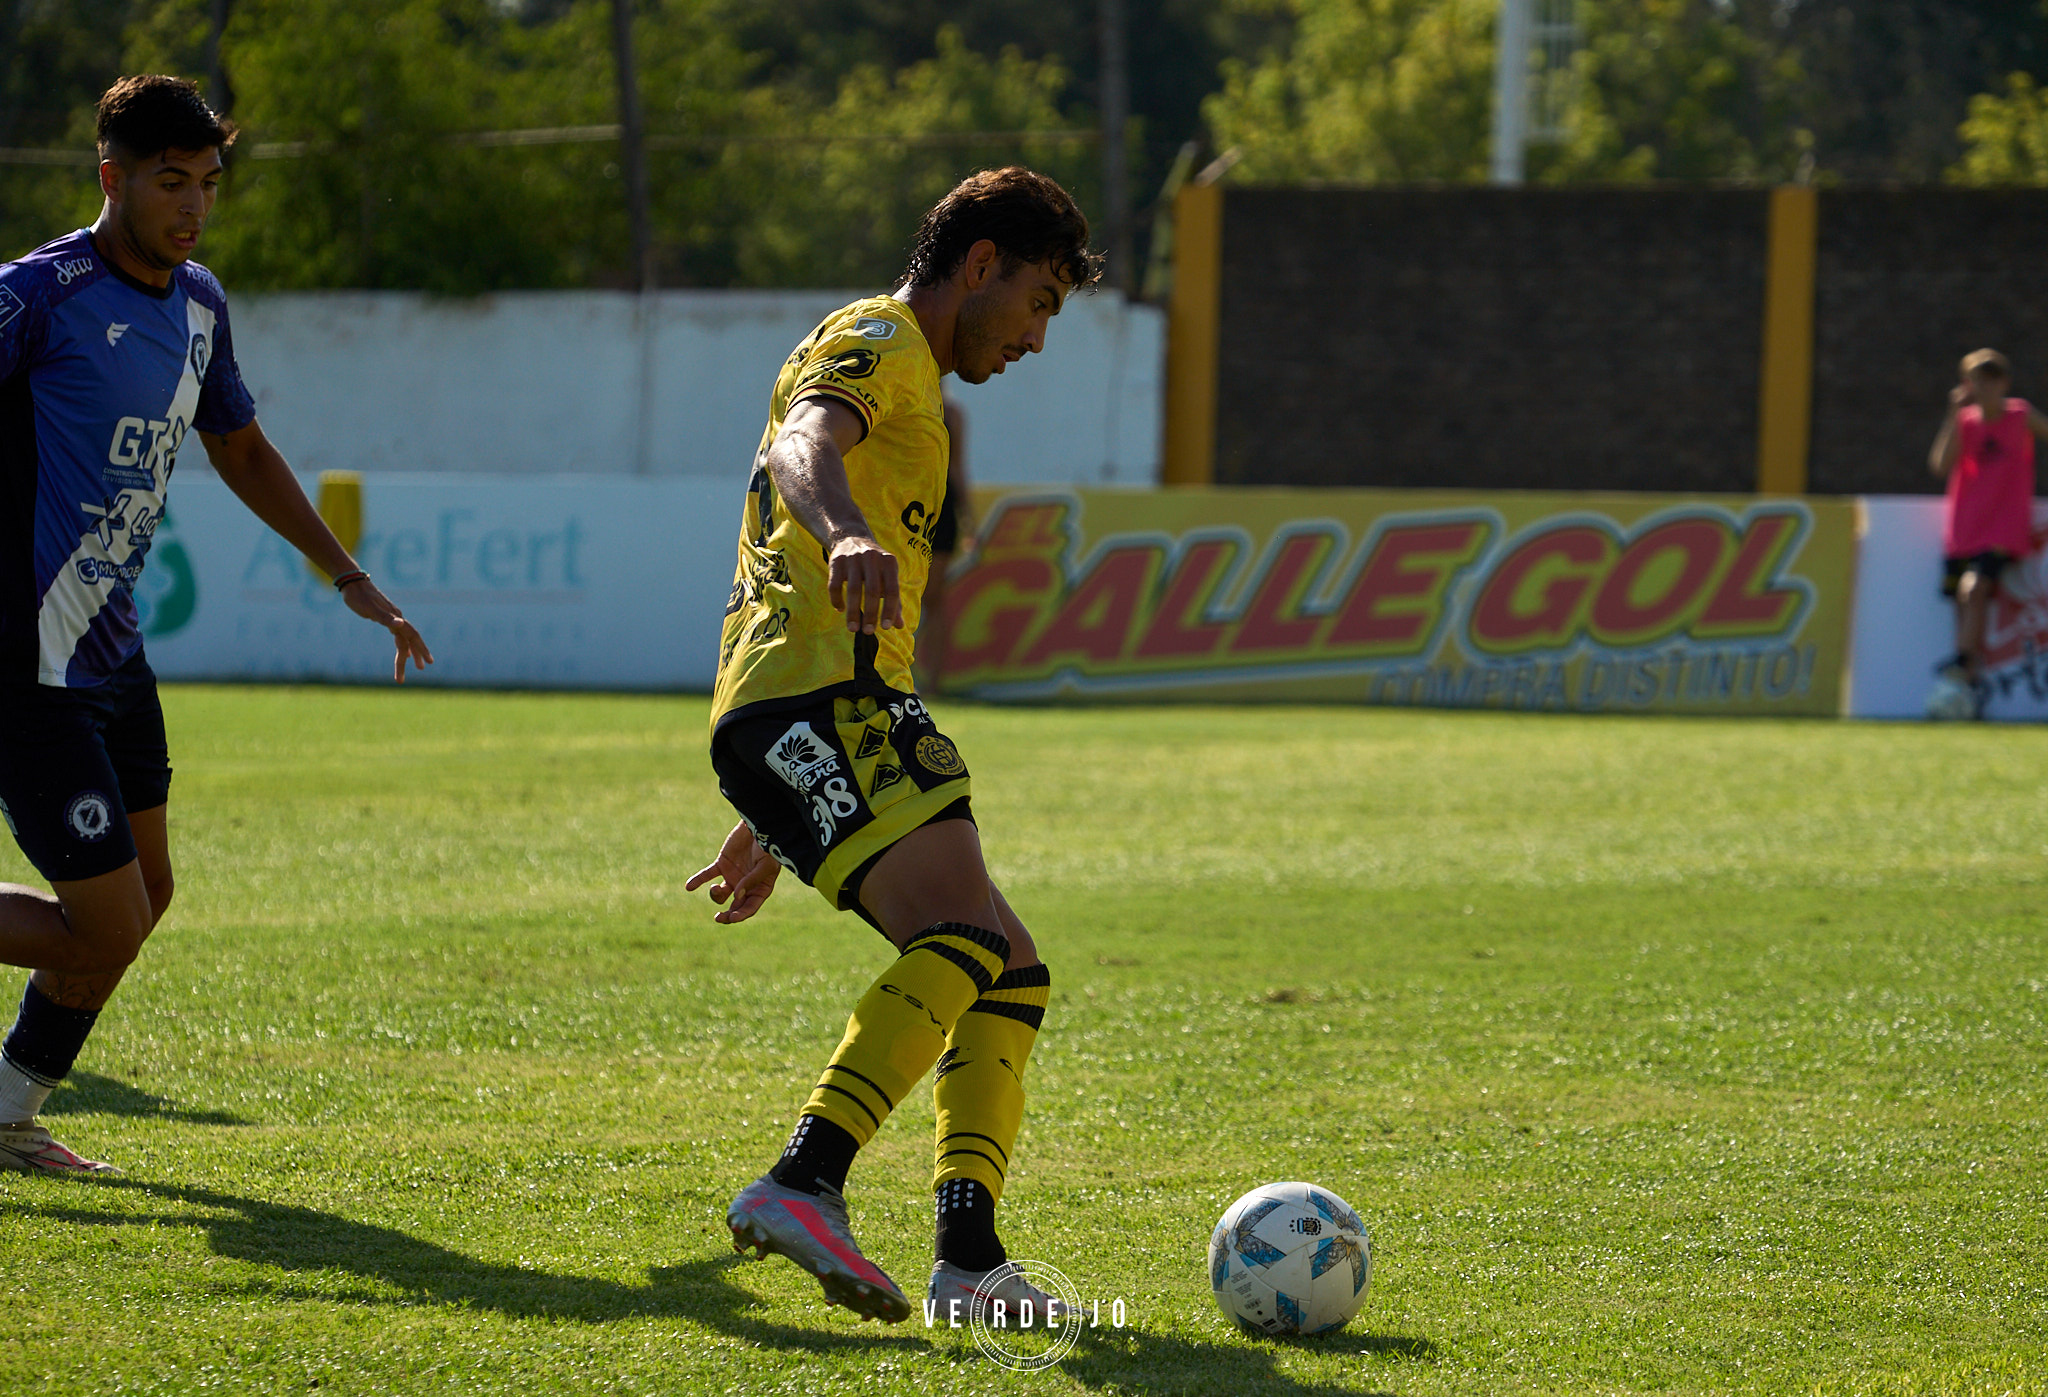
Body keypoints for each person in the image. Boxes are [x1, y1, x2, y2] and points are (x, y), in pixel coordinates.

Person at [685, 167, 1099, 1324]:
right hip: (825, 698)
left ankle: (968, 1257)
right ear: (980, 264)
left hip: (810, 709)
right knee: (965, 935)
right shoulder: (883, 341)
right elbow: (799, 446)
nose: (1034, 337)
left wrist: (773, 803)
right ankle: (802, 1180)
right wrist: (846, 532)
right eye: (1037, 302)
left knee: (1008, 967)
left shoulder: (905, 368)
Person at [0, 76, 432, 1174]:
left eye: (207, 182)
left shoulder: (199, 301)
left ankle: (5, 1111)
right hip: (26, 657)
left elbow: (239, 446)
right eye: (169, 182)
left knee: (147, 896)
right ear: (112, 178)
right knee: (105, 923)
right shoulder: (37, 293)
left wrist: (347, 575)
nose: (192, 205)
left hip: (111, 646)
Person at [1927, 348, 2048, 712]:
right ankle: (1967, 685)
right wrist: (1952, 415)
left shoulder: (2020, 416)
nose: (1985, 389)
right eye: (1977, 382)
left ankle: (1962, 663)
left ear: (2004, 384)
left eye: (1991, 381)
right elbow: (1940, 465)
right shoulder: (1964, 422)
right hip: (1964, 528)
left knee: (1975, 588)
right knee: (1963, 603)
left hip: (2003, 528)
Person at [915, 394, 974, 692]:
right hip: (901, 502)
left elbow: (957, 467)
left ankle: (933, 684)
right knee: (895, 595)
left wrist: (969, 521)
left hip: (940, 507)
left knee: (932, 597)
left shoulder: (951, 412)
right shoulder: (899, 396)